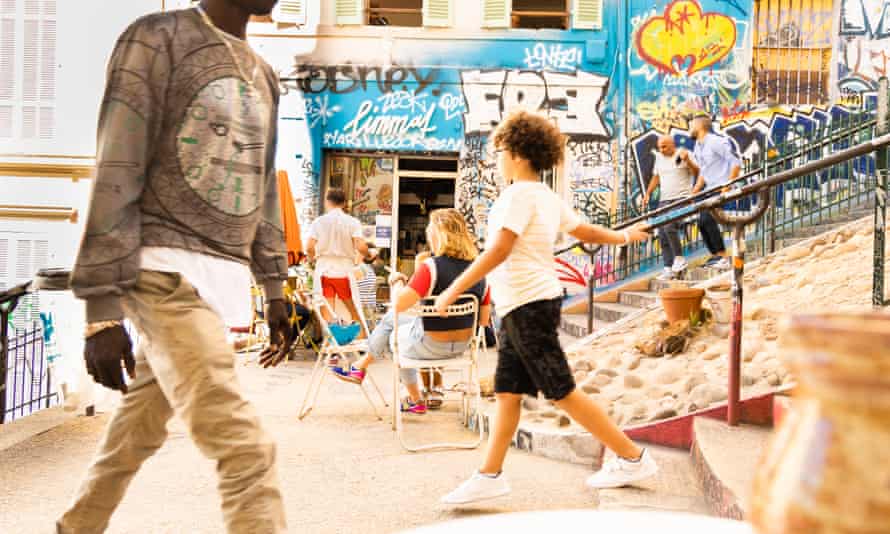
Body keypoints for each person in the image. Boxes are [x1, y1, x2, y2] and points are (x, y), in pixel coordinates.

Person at [58, 1, 290, 532]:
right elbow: (118, 163)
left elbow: (263, 183)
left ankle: (75, 527)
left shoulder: (265, 73)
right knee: (247, 451)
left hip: (219, 281)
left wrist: (274, 287)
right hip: (161, 274)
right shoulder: (156, 38)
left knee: (135, 433)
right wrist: (101, 310)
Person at [434, 110, 657, 504]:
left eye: (501, 150)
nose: (498, 158)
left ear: (518, 152)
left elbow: (499, 250)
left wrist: (454, 288)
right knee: (508, 392)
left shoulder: (516, 195)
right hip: (524, 305)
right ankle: (490, 475)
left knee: (560, 391)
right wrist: (623, 236)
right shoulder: (546, 196)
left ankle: (631, 456)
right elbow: (584, 231)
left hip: (528, 305)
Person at [332, 208, 491, 415]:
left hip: (429, 345)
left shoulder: (431, 267)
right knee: (393, 320)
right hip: (462, 348)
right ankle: (362, 368)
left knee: (394, 334)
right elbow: (484, 321)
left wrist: (397, 281)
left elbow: (399, 303)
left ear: (437, 235)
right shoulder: (479, 271)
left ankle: (413, 397)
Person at [305, 188, 371, 335]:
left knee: (327, 308)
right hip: (344, 271)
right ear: (344, 203)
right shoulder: (352, 222)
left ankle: (332, 343)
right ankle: (362, 338)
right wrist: (368, 254)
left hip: (324, 269)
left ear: (327, 202)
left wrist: (313, 258)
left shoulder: (319, 222)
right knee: (352, 306)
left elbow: (309, 246)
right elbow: (360, 246)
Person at [642, 135, 700, 280]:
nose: (661, 150)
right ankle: (668, 267)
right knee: (661, 232)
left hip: (681, 199)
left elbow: (697, 173)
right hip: (664, 200)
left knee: (669, 226)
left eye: (664, 146)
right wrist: (648, 193)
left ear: (672, 145)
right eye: (660, 147)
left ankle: (679, 259)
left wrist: (687, 161)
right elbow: (656, 177)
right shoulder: (659, 158)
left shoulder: (683, 154)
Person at [691, 112, 742, 270]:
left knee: (707, 219)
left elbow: (736, 162)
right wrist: (695, 192)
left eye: (691, 125)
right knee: (701, 222)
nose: (689, 129)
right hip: (708, 189)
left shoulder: (715, 142)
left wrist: (726, 186)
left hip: (720, 188)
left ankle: (723, 256)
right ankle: (715, 256)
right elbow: (703, 172)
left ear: (700, 126)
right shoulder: (698, 146)